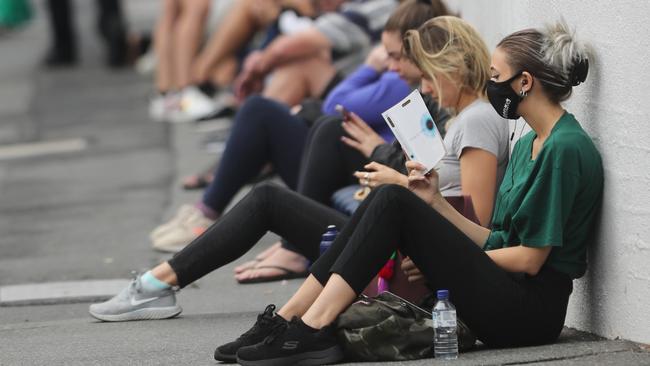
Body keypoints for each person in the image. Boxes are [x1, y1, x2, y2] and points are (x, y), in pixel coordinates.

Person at [88, 17, 514, 352]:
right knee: (275, 189)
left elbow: (476, 219)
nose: (422, 86)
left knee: (271, 195)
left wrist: (399, 184)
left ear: (452, 69)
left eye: (427, 76)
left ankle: (155, 286)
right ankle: (162, 284)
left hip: (407, 258)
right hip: (399, 244)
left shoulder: (476, 121)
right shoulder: (462, 118)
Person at [225, 18, 601, 366]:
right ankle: (291, 319)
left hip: (530, 315)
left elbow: (530, 260)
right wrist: (436, 202)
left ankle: (311, 328)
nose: (491, 84)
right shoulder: (527, 143)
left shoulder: (564, 148)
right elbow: (498, 239)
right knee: (390, 196)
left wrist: (444, 256)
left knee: (393, 196)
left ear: (524, 82)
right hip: (506, 290)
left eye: (496, 75)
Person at [149, 0, 452, 254]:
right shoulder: (402, 71)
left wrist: (369, 67)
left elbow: (335, 102)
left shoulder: (401, 81)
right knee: (282, 112)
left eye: (394, 55)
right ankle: (213, 207)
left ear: (419, 52)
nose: (389, 62)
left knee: (312, 123)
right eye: (386, 55)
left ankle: (280, 241)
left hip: (362, 176)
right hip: (358, 171)